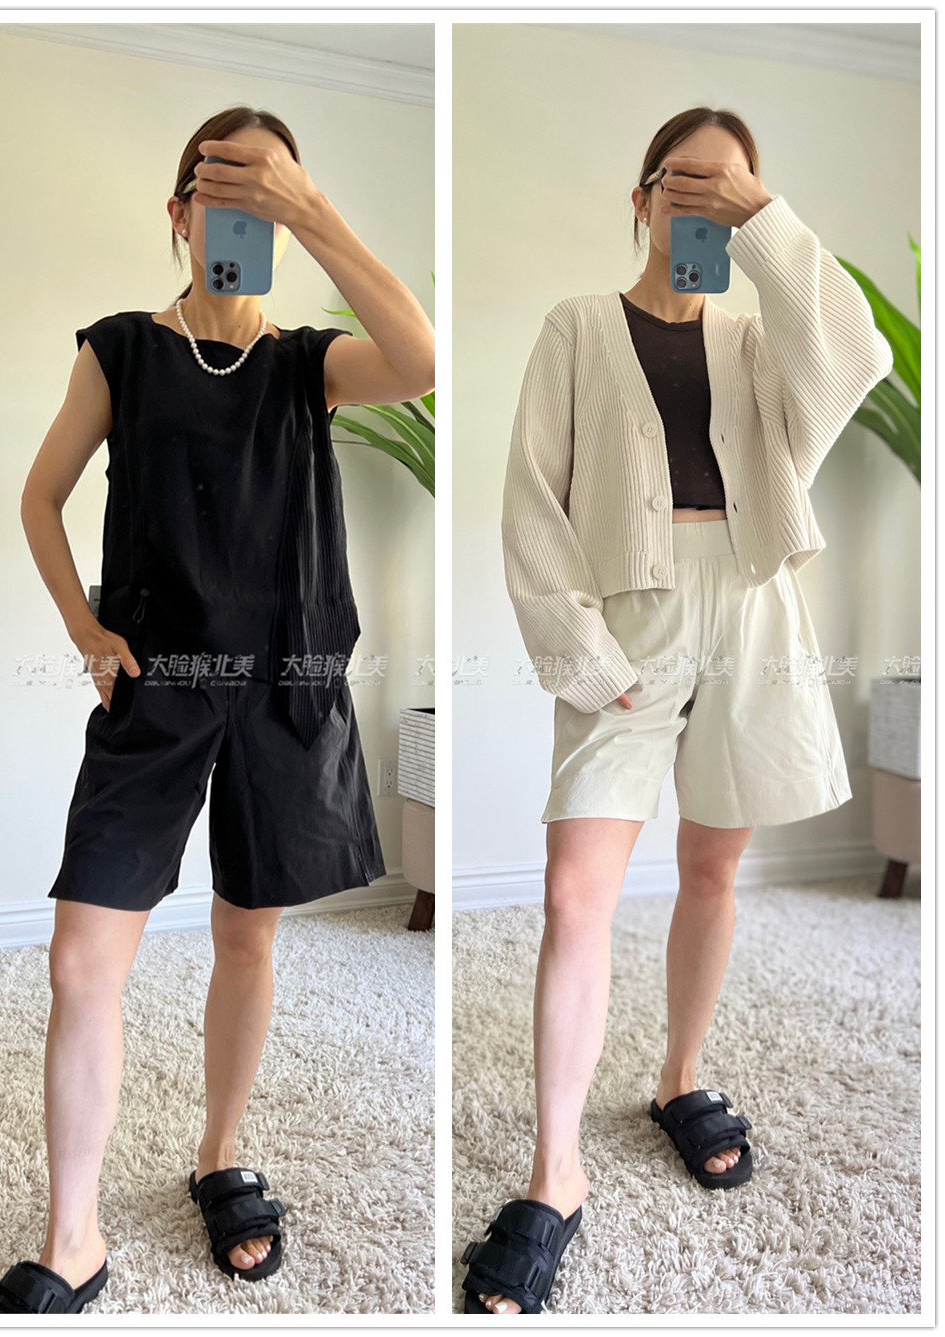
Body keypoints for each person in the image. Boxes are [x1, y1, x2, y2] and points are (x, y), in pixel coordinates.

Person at [0, 107, 435, 1316]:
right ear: (178, 215)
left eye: (262, 195)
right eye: (216, 192)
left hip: (282, 685)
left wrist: (310, 208)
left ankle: (220, 1152)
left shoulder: (310, 364)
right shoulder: (122, 349)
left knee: (248, 935)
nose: (236, 216)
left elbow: (422, 360)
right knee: (82, 959)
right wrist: (84, 627)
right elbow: (39, 496)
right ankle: (72, 1237)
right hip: (158, 685)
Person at [460, 107, 892, 1314]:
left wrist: (766, 223)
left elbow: (858, 356)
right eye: (683, 181)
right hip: (628, 614)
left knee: (713, 867)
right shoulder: (577, 325)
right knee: (574, 891)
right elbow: (532, 500)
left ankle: (678, 1075)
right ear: (641, 196)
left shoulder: (763, 340)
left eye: (729, 188)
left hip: (752, 601)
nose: (702, 202)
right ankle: (555, 1173)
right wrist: (584, 650)